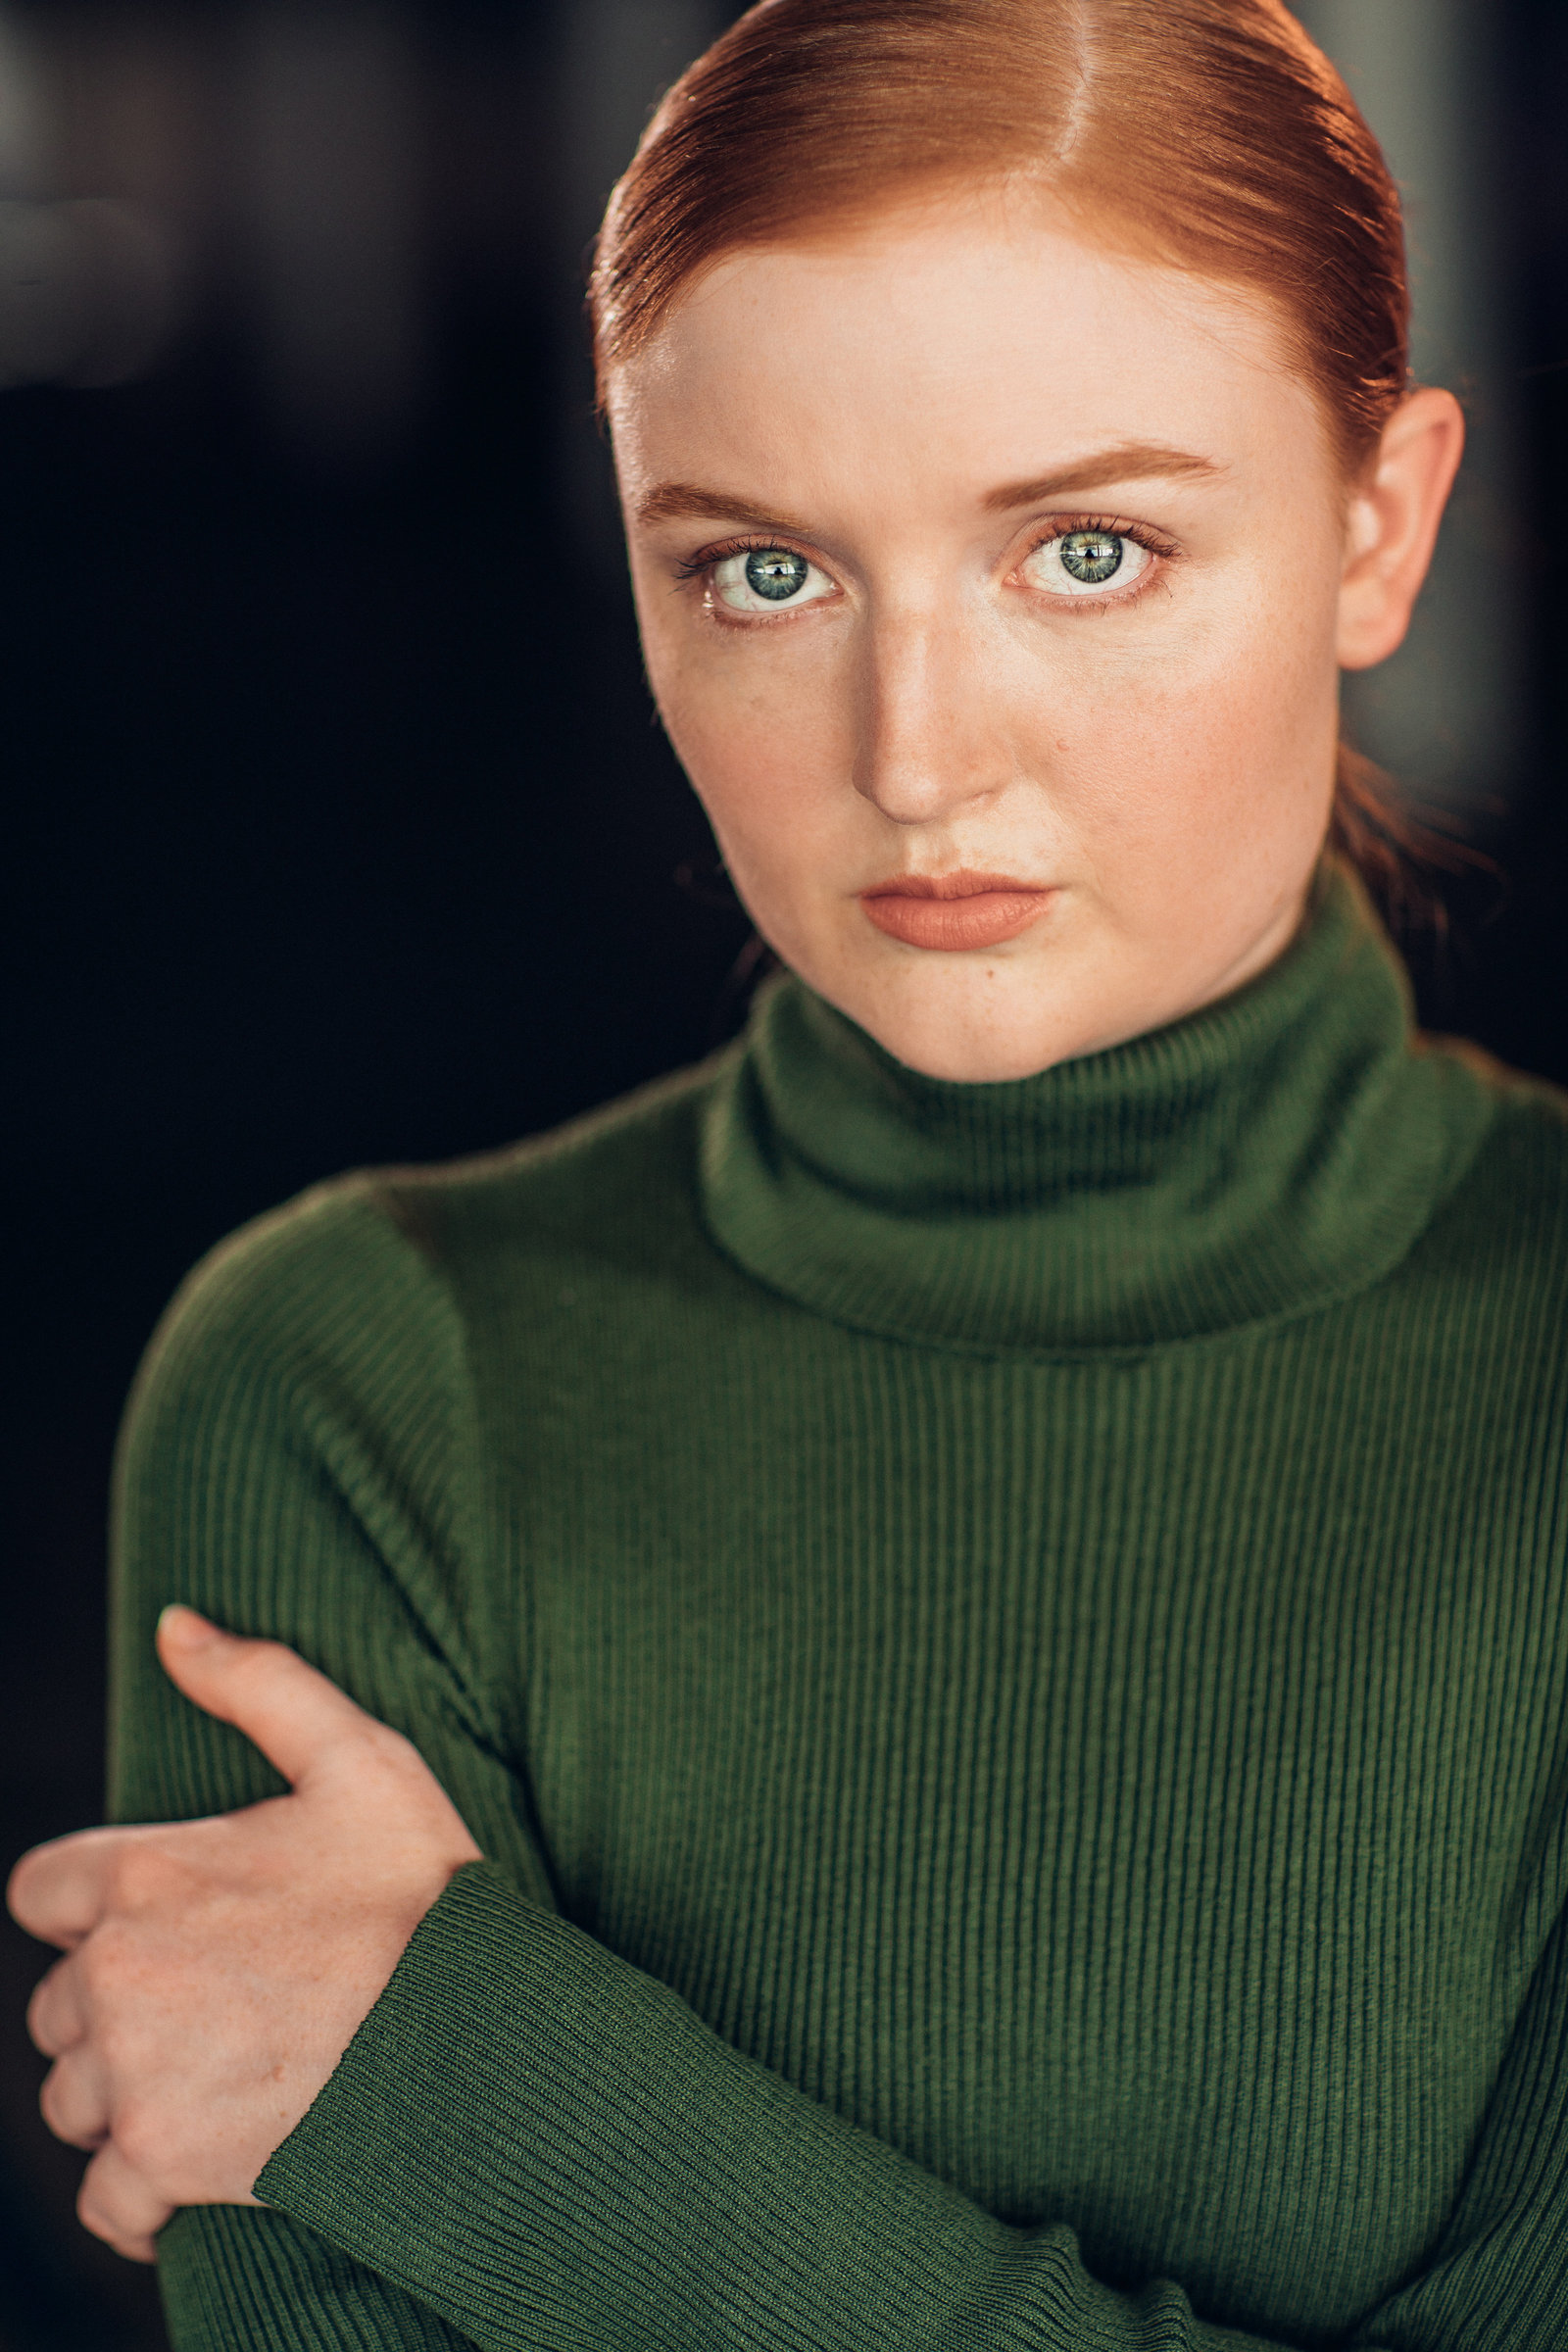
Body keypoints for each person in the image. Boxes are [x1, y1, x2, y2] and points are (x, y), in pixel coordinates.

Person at [10, 0, 1568, 2344]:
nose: (913, 759)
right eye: (761, 574)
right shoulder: (358, 1383)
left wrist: (454, 2086)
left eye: (1082, 550)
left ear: (1382, 525)